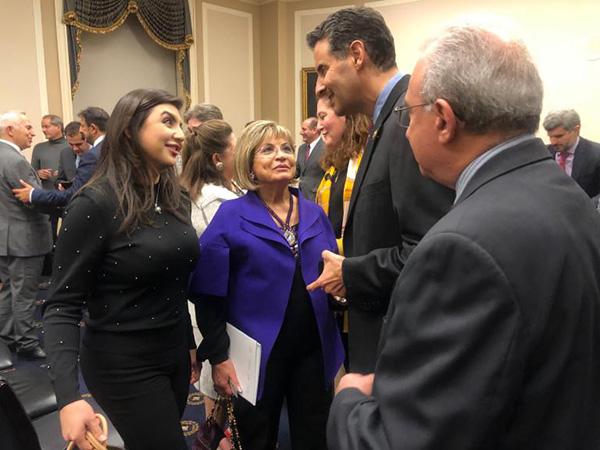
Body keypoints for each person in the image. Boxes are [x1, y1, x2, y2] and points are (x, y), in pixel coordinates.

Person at [327, 22, 600, 450]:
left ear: (443, 121)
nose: (406, 129)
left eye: (407, 115)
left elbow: (394, 442)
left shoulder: (459, 248)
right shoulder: (569, 197)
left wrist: (347, 399)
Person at [43, 89, 199, 450]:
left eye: (181, 124)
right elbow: (61, 307)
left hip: (173, 354)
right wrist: (68, 397)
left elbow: (175, 281)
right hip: (122, 363)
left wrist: (189, 345)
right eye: (167, 121)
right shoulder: (94, 204)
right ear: (128, 130)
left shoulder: (176, 198)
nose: (180, 133)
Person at [306, 6, 454, 374]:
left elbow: (430, 250)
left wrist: (352, 273)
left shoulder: (408, 121)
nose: (319, 86)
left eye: (323, 69)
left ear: (357, 55)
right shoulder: (384, 122)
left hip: (404, 348)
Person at [189, 120, 344, 450]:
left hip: (313, 352)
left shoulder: (315, 213)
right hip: (254, 357)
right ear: (249, 164)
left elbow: (330, 278)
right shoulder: (231, 216)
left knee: (315, 437)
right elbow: (207, 295)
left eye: (287, 148)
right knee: (256, 438)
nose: (282, 156)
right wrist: (218, 357)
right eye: (268, 150)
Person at [179, 119, 243, 425]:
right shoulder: (219, 202)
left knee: (216, 389)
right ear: (217, 159)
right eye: (234, 147)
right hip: (219, 307)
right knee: (224, 391)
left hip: (203, 307)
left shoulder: (199, 190)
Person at [0, 111, 53, 360]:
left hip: (6, 238)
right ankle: (27, 343)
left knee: (9, 291)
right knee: (25, 295)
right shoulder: (14, 160)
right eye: (28, 127)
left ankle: (8, 337)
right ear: (10, 130)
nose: (32, 132)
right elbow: (33, 200)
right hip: (25, 240)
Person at [13, 107, 108, 208]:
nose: (80, 130)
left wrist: (33, 194)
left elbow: (75, 193)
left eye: (83, 126)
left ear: (93, 128)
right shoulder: (112, 147)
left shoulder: (93, 155)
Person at [543, 109, 600, 198]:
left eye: (559, 136)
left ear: (576, 130)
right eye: (550, 136)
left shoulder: (596, 154)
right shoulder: (544, 154)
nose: (553, 142)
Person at [31, 114, 70, 190]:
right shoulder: (38, 148)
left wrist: (64, 173)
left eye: (47, 127)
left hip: (68, 194)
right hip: (46, 196)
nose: (43, 130)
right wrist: (38, 173)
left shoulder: (72, 146)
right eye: (42, 127)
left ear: (58, 127)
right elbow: (31, 173)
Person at [296, 117, 325, 201]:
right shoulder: (302, 148)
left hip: (317, 198)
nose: (301, 133)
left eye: (304, 129)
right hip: (301, 197)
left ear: (314, 130)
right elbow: (297, 170)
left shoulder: (326, 149)